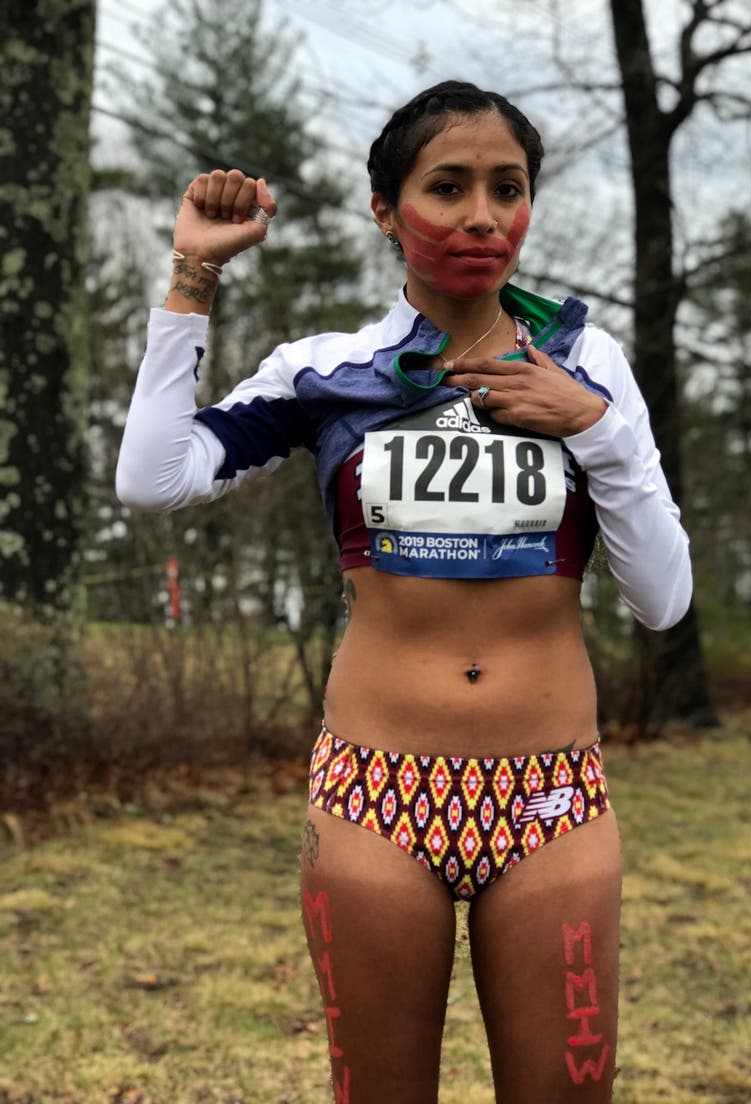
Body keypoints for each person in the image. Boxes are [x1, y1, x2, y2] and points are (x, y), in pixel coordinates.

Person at [117, 81, 691, 1104]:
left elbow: (662, 600)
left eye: (506, 188)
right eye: (449, 185)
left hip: (550, 794)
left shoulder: (586, 362)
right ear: (388, 209)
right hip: (374, 794)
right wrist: (193, 276)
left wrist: (594, 427)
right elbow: (153, 478)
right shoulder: (329, 372)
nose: (481, 214)